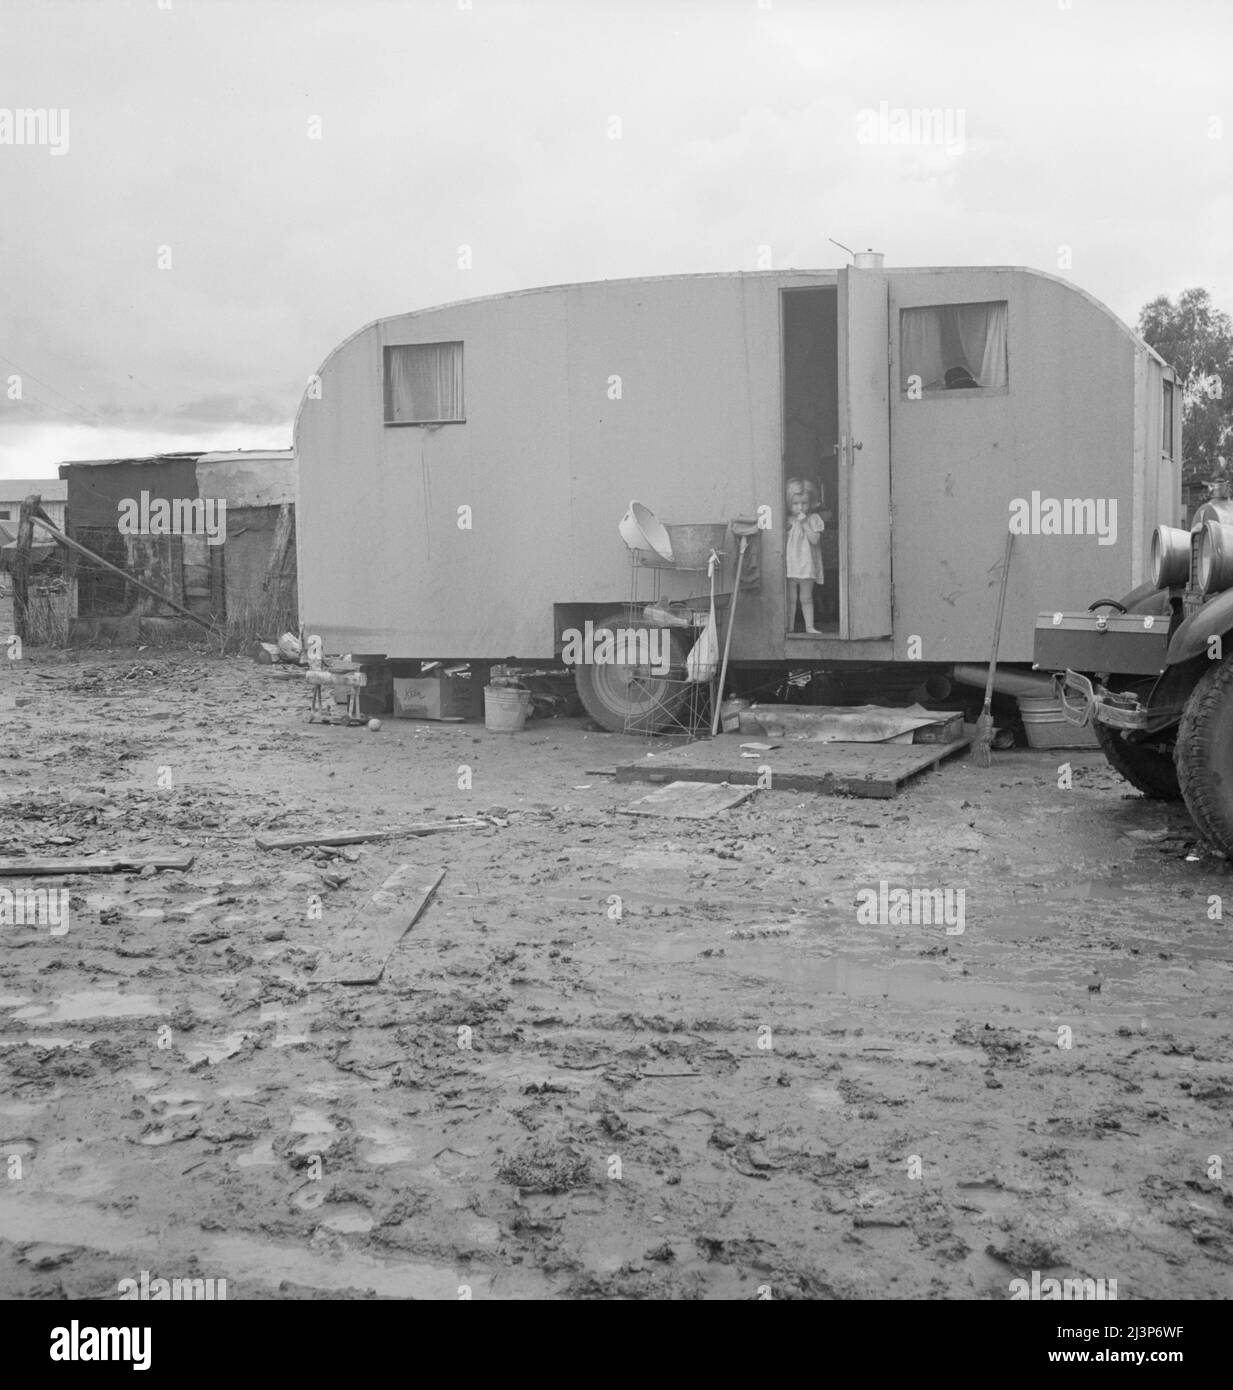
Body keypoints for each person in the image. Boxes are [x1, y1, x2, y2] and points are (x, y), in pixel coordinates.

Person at [785, 477, 824, 634]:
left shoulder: (814, 519)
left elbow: (814, 539)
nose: (800, 507)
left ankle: (809, 627)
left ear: (811, 502)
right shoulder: (787, 520)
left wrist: (804, 523)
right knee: (791, 599)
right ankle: (790, 627)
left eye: (804, 503)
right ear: (789, 503)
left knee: (806, 598)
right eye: (795, 504)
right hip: (790, 564)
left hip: (807, 565)